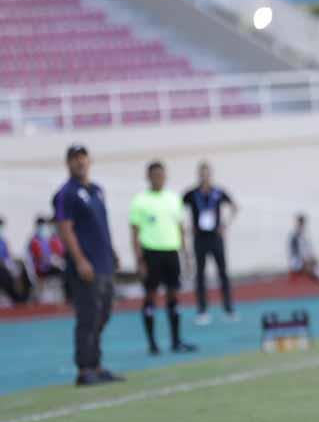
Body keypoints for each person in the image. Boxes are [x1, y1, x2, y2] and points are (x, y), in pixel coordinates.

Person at [51, 144, 124, 386]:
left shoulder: (97, 190)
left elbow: (101, 225)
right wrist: (80, 260)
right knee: (88, 316)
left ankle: (97, 364)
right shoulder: (66, 194)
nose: (79, 163)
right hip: (86, 267)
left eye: (82, 158)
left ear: (89, 160)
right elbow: (65, 228)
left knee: (104, 313)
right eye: (74, 159)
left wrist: (111, 252)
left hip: (103, 263)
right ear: (68, 163)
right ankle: (84, 368)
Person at [130, 160, 196, 355]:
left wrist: (186, 254)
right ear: (148, 177)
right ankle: (152, 343)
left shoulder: (174, 199)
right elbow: (134, 232)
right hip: (151, 252)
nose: (159, 178)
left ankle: (176, 340)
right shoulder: (140, 201)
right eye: (155, 175)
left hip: (171, 252)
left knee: (173, 295)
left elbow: (180, 228)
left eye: (162, 175)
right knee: (150, 295)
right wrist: (139, 259)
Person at [182, 161, 238, 324]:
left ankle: (228, 308)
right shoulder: (191, 194)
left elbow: (234, 207)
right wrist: (186, 227)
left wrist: (225, 224)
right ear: (198, 175)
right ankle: (202, 310)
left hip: (215, 237)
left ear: (210, 175)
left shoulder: (218, 192)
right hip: (200, 238)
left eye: (206, 173)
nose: (204, 177)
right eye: (201, 174)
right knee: (200, 274)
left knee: (223, 273)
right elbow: (178, 208)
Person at [27, 216, 66, 301]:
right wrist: (50, 260)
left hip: (50, 269)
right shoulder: (35, 241)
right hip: (41, 271)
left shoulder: (49, 240)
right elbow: (39, 257)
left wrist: (56, 260)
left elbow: (59, 253)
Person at [0, 215, 32, 304]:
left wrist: (14, 264)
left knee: (22, 269)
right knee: (5, 276)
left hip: (6, 266)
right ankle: (16, 298)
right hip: (1, 269)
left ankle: (24, 296)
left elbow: (8, 256)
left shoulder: (3, 241)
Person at [288, 214, 319, 283]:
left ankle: (317, 276)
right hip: (297, 260)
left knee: (316, 262)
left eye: (303, 223)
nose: (302, 225)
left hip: (304, 259)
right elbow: (294, 251)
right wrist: (305, 259)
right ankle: (306, 274)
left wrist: (312, 257)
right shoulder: (294, 236)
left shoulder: (305, 235)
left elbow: (308, 249)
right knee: (308, 265)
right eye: (300, 223)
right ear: (297, 223)